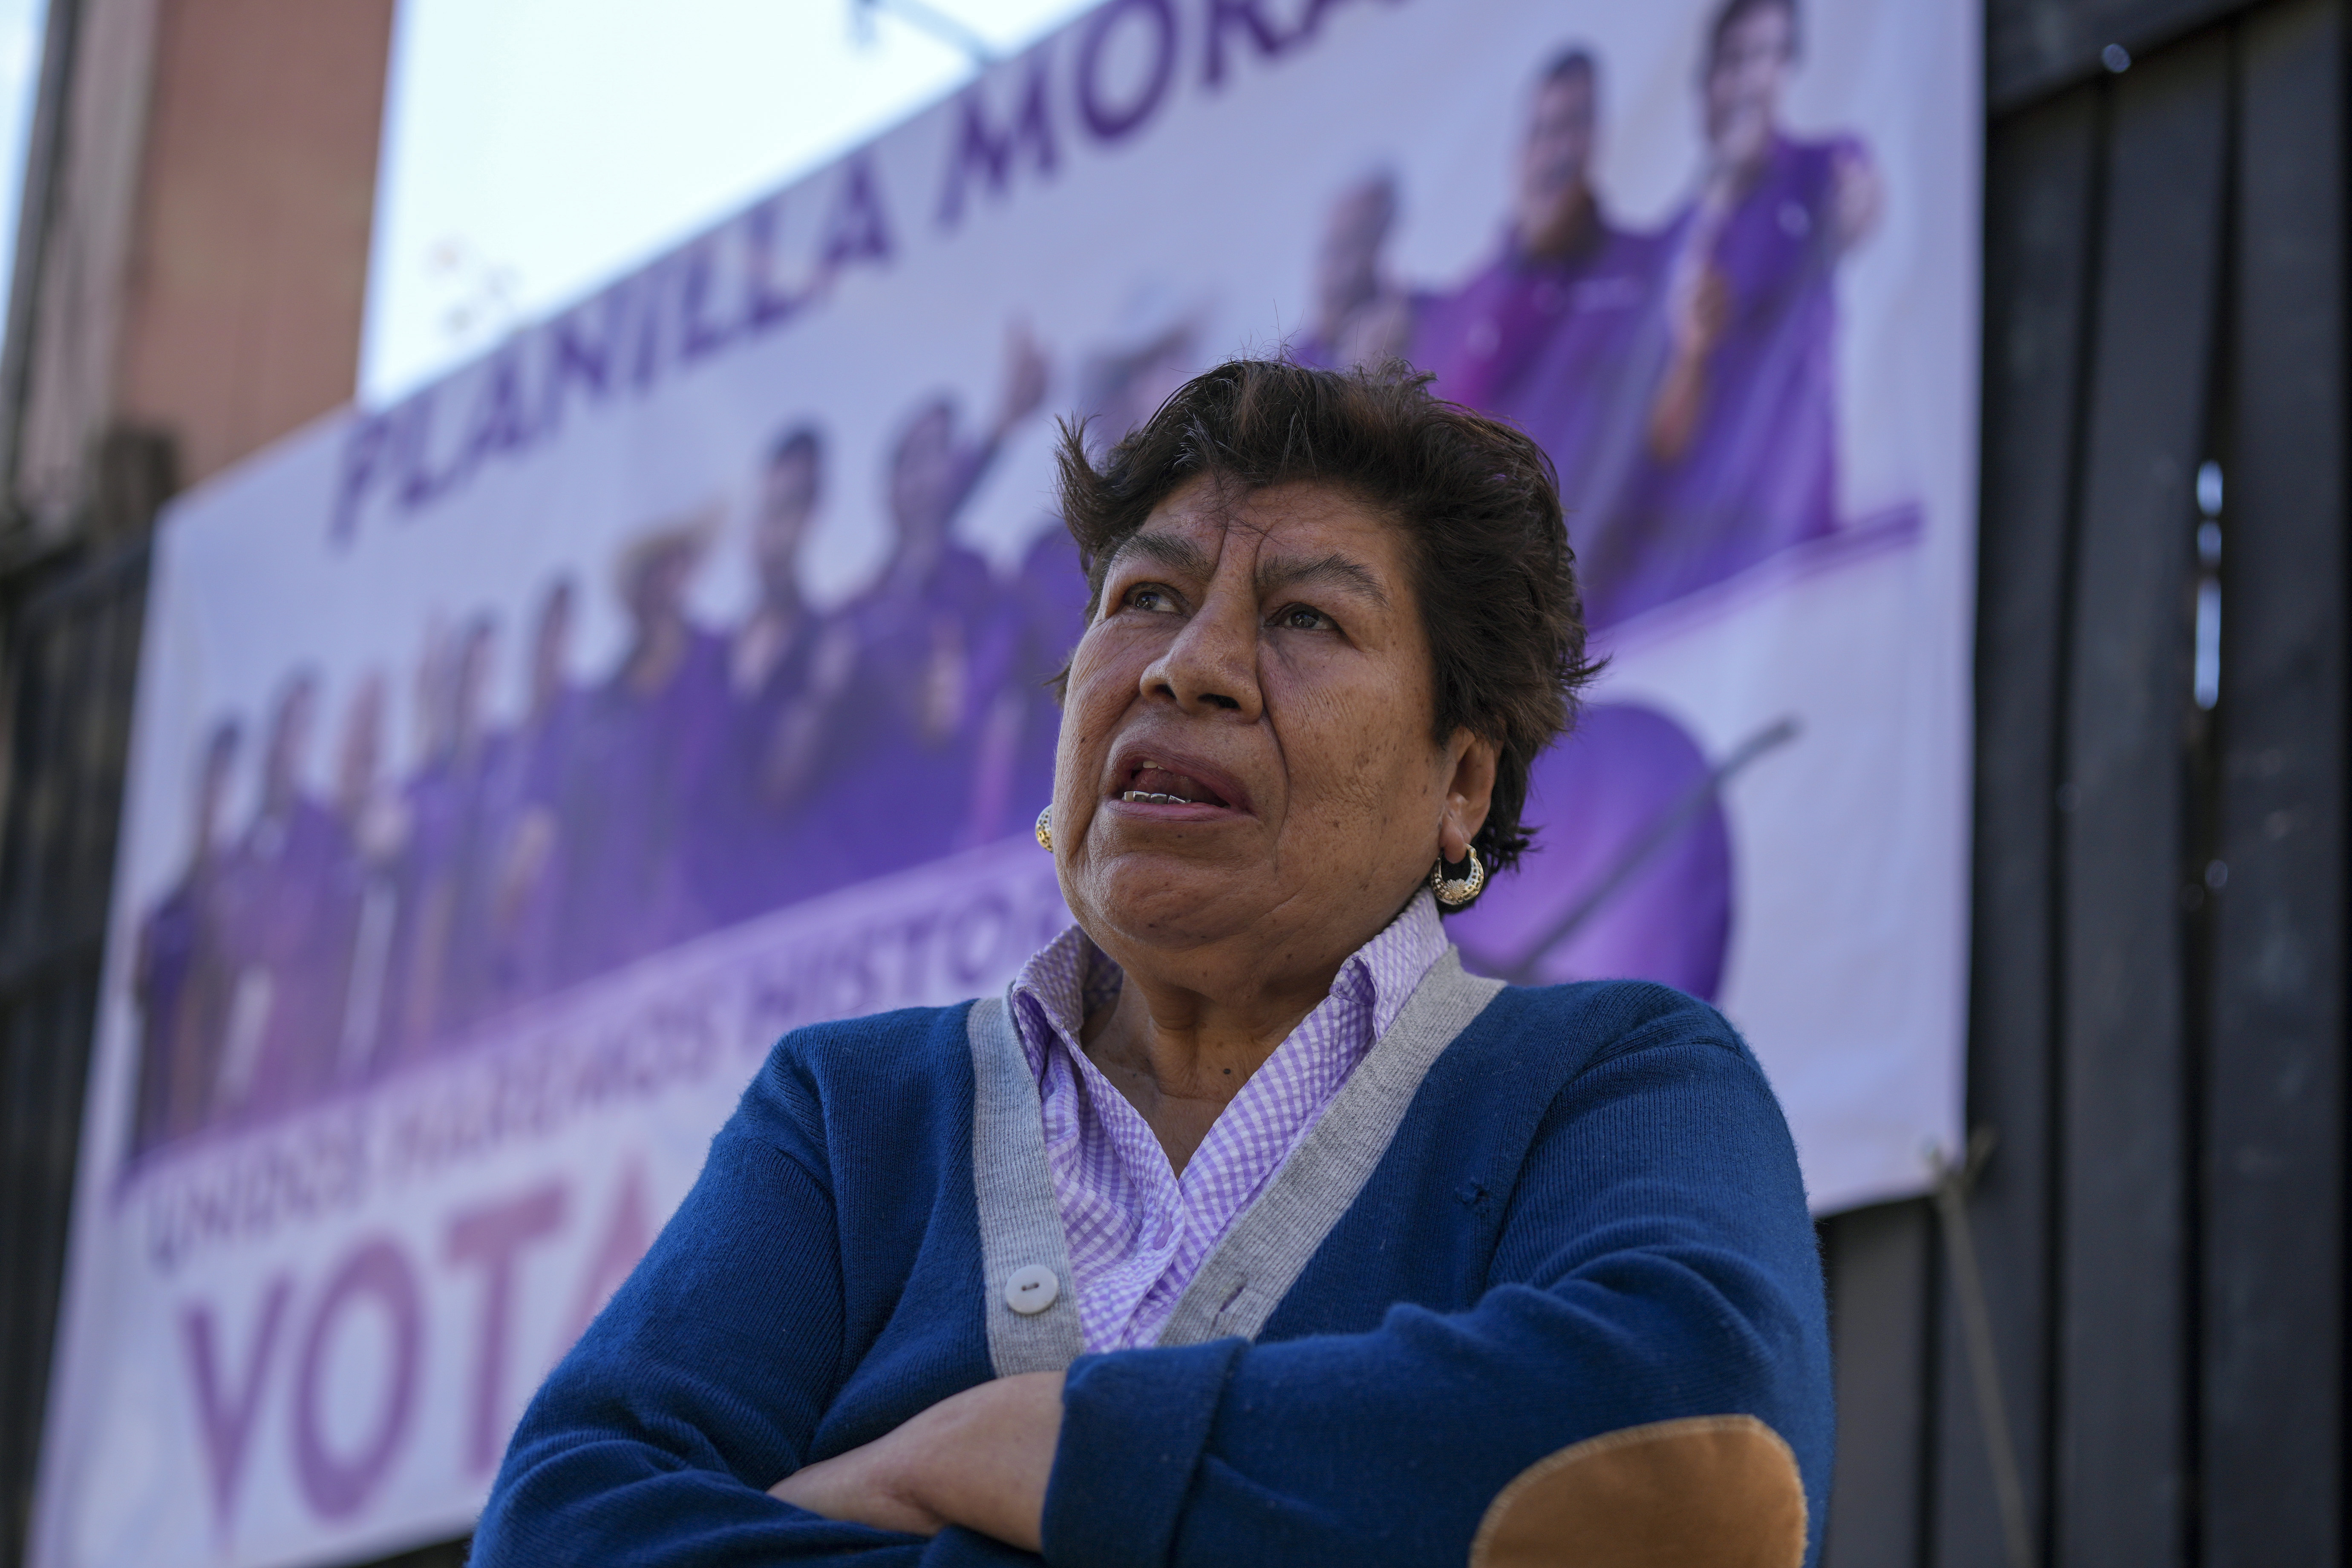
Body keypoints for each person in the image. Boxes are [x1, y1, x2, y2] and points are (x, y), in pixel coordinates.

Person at [476, 360, 1832, 1567]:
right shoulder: (851, 1113)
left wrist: (989, 1450)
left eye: (1306, 617)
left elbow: (1699, 1450)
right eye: (1145, 597)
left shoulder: (1601, 1078)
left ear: (1459, 781)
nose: (1191, 667)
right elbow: (559, 1528)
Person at [1582, 0, 1881, 626]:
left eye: (1768, 57)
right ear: (1707, 82)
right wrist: (1690, 352)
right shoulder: (1669, 245)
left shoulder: (1819, 169)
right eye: (1737, 60)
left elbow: (1862, 209)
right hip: (1688, 564)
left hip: (1794, 533)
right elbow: (1658, 435)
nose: (1750, 79)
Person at [1409, 46, 1667, 575]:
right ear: (1520, 151)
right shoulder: (1463, 308)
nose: (1557, 151)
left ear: (1597, 136)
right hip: (1511, 602)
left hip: (1642, 586)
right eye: (1543, 131)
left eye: (1573, 125)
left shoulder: (1652, 266)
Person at [819, 324, 1050, 873]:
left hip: (952, 863)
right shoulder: (854, 614)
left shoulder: (983, 586)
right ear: (889, 483)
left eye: (941, 457)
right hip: (853, 866)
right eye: (914, 461)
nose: (928, 477)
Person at [692, 426, 857, 925]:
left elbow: (781, 785)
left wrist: (820, 699)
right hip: (695, 927)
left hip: (782, 920)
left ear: (809, 517)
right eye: (765, 506)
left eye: (787, 508)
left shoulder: (825, 644)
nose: (769, 528)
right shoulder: (710, 656)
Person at [561, 516, 730, 976]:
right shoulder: (602, 706)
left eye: (675, 566)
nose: (665, 582)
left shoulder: (722, 660)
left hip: (708, 924)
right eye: (653, 571)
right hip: (613, 943)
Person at [128, 719, 241, 1155]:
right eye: (209, 784)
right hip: (158, 1132)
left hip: (215, 1134)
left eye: (226, 784)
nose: (215, 800)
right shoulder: (162, 912)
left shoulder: (247, 896)